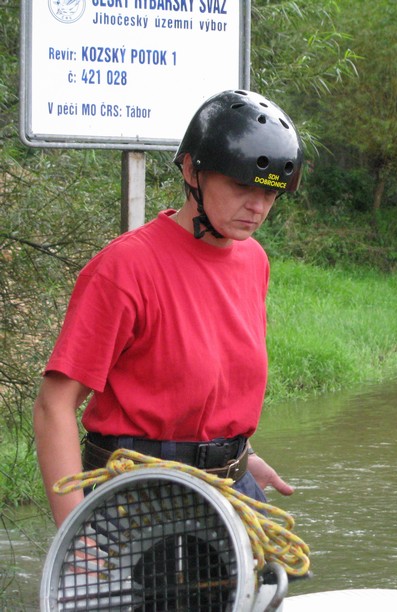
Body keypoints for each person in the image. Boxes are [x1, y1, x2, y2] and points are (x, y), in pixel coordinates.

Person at [33, 89, 304, 528]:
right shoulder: (125, 268)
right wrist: (75, 532)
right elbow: (54, 406)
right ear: (192, 169)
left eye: (271, 194)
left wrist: (241, 454)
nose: (258, 207)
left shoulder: (253, 260)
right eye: (242, 186)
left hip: (228, 486)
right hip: (134, 496)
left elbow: (215, 380)